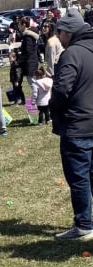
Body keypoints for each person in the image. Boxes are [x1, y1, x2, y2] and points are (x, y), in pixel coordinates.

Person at [50, 8, 93, 240]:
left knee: (79, 178)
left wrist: (55, 109)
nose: (59, 38)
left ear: (68, 32)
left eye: (60, 33)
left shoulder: (72, 54)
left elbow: (61, 90)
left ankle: (84, 224)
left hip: (78, 126)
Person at [18, 17, 40, 88]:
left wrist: (20, 59)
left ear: (24, 25)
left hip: (30, 62)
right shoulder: (30, 34)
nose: (18, 27)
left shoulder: (28, 36)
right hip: (32, 61)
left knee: (32, 82)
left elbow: (28, 51)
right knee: (33, 81)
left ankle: (37, 98)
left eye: (19, 25)